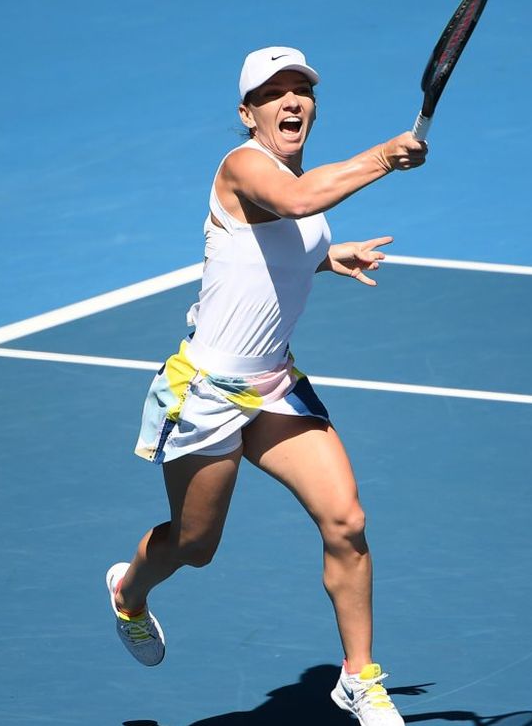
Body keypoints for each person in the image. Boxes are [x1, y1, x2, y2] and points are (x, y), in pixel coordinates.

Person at [104, 46, 427, 726]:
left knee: (347, 519)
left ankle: (358, 679)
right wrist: (384, 157)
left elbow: (291, 235)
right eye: (273, 92)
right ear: (248, 113)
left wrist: (331, 256)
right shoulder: (245, 165)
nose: (291, 101)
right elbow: (296, 199)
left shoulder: (301, 179)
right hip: (209, 394)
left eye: (301, 90)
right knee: (195, 546)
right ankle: (129, 589)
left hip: (276, 384)